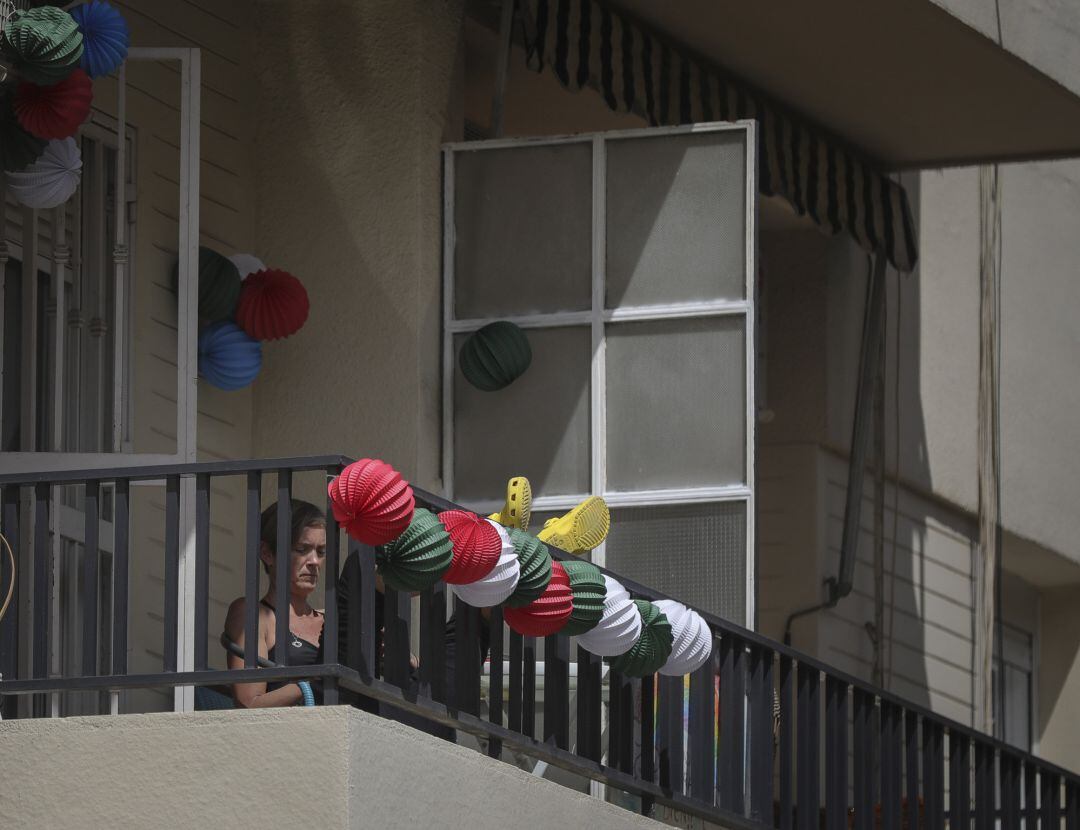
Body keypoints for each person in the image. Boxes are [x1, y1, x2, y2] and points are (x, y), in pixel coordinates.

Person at [223, 499, 327, 708]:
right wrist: (316, 682)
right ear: (267, 553)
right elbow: (249, 705)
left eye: (321, 552)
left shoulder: (330, 620)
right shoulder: (254, 614)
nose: (314, 561)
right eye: (302, 549)